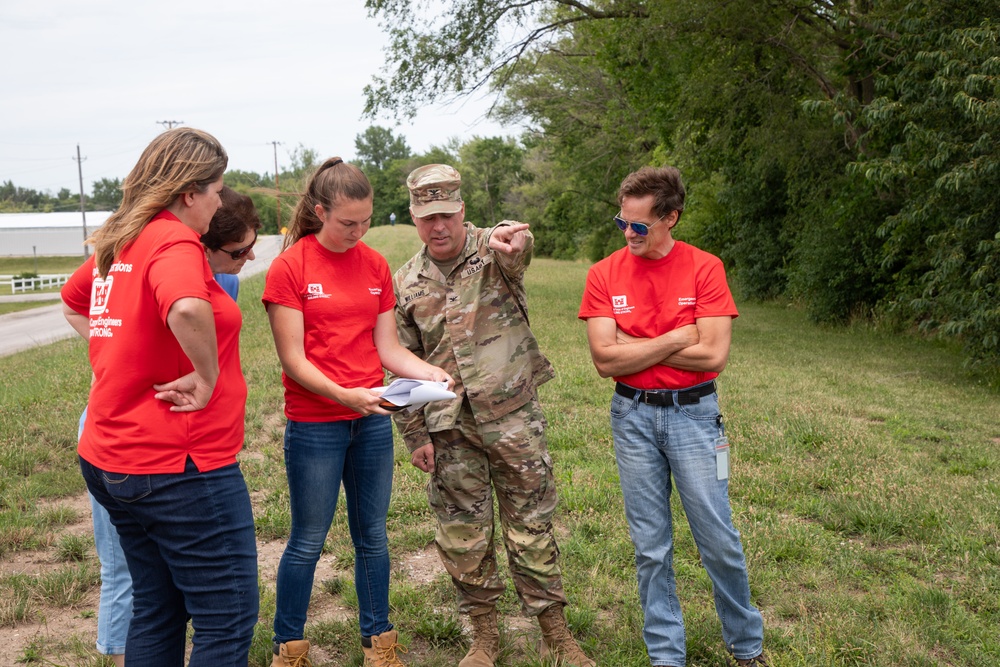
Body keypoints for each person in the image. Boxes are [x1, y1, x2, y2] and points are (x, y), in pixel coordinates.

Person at [60, 127, 259, 667]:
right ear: (190, 192)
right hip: (177, 463)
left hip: (111, 455)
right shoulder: (173, 241)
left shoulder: (124, 238)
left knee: (158, 606)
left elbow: (76, 300)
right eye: (216, 189)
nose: (220, 201)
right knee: (228, 615)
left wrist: (119, 342)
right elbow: (188, 310)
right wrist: (207, 373)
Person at [391, 164, 595, 667]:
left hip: (512, 418)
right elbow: (399, 358)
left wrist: (515, 242)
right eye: (426, 218)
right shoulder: (405, 282)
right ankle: (484, 637)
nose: (437, 227)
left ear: (461, 210)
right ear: (415, 219)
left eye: (446, 215)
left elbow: (517, 248)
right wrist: (414, 433)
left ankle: (556, 634)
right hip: (449, 429)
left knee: (532, 524)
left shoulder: (493, 250)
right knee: (463, 534)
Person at [262, 157, 453, 667]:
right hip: (315, 426)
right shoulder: (291, 267)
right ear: (320, 211)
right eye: (348, 223)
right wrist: (345, 395)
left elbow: (387, 348)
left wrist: (426, 371)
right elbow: (293, 360)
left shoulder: (372, 266)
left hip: (369, 420)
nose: (358, 231)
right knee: (307, 539)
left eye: (366, 221)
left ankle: (380, 644)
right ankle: (289, 647)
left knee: (373, 534)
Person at [578, 166, 767, 667]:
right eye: (622, 223)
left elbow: (712, 357)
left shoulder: (705, 268)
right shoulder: (603, 273)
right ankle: (667, 656)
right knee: (650, 546)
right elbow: (604, 361)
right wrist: (677, 337)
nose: (629, 234)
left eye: (640, 226)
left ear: (671, 218)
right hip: (631, 416)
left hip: (697, 416)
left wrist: (633, 346)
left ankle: (746, 646)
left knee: (717, 535)